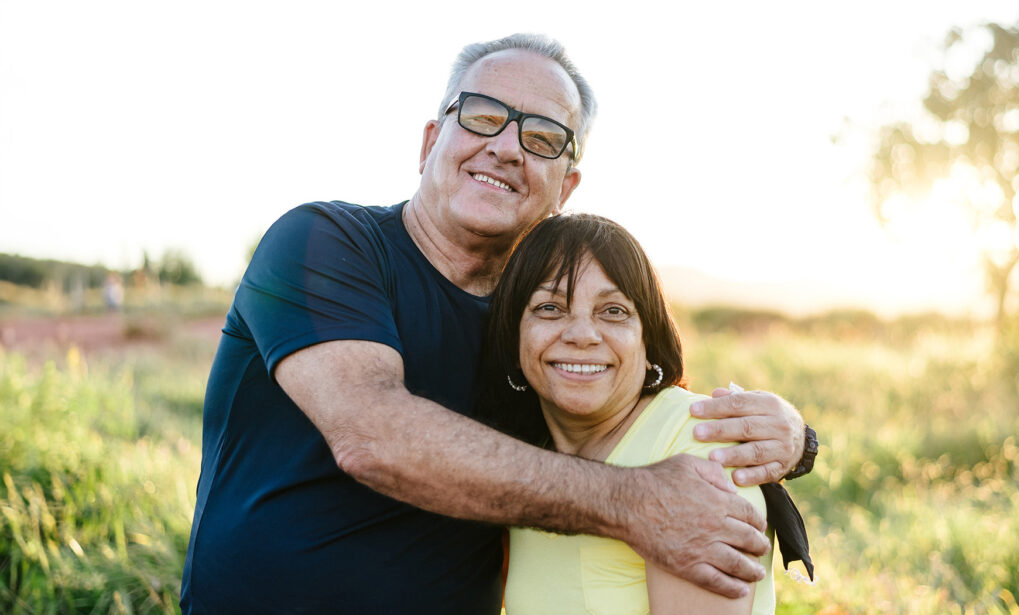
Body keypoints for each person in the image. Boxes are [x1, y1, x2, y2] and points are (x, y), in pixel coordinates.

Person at [180, 33, 811, 614]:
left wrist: (794, 440)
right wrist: (635, 503)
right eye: (482, 115)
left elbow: (623, 414)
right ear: (431, 142)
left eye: (541, 136)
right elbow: (373, 437)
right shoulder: (323, 242)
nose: (506, 147)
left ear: (566, 185)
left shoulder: (534, 326)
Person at [478, 213, 792, 614]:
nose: (581, 335)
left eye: (612, 311)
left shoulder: (700, 446)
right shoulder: (524, 455)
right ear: (513, 334)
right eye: (550, 308)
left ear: (648, 340)